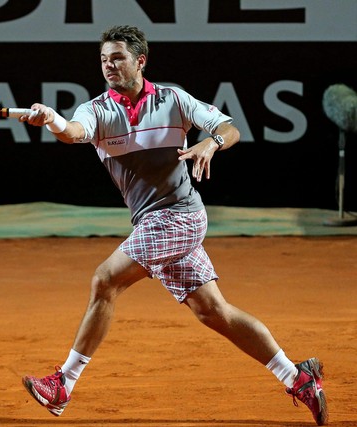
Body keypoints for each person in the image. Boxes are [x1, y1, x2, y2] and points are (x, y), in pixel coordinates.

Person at [19, 25, 327, 426]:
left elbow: (229, 129)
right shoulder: (97, 110)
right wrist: (54, 121)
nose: (108, 65)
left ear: (140, 61)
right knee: (213, 310)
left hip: (181, 216)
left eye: (117, 58)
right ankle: (297, 375)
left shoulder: (174, 100)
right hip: (153, 221)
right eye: (103, 59)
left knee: (105, 279)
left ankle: (63, 384)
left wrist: (210, 142)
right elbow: (74, 133)